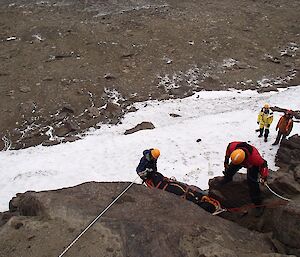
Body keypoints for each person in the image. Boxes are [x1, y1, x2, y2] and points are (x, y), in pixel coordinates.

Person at [136, 148, 221, 213]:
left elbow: (154, 165)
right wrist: (145, 174)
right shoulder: (144, 160)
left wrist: (153, 171)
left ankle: (198, 198)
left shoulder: (153, 155)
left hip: (157, 177)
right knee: (178, 190)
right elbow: (139, 170)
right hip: (150, 176)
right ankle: (199, 199)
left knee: (178, 189)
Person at [222, 142, 269, 216]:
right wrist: (226, 161)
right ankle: (227, 179)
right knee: (230, 170)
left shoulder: (254, 158)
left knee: (252, 184)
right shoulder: (233, 148)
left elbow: (263, 164)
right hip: (239, 160)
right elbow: (228, 149)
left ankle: (258, 204)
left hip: (252, 165)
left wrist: (264, 176)